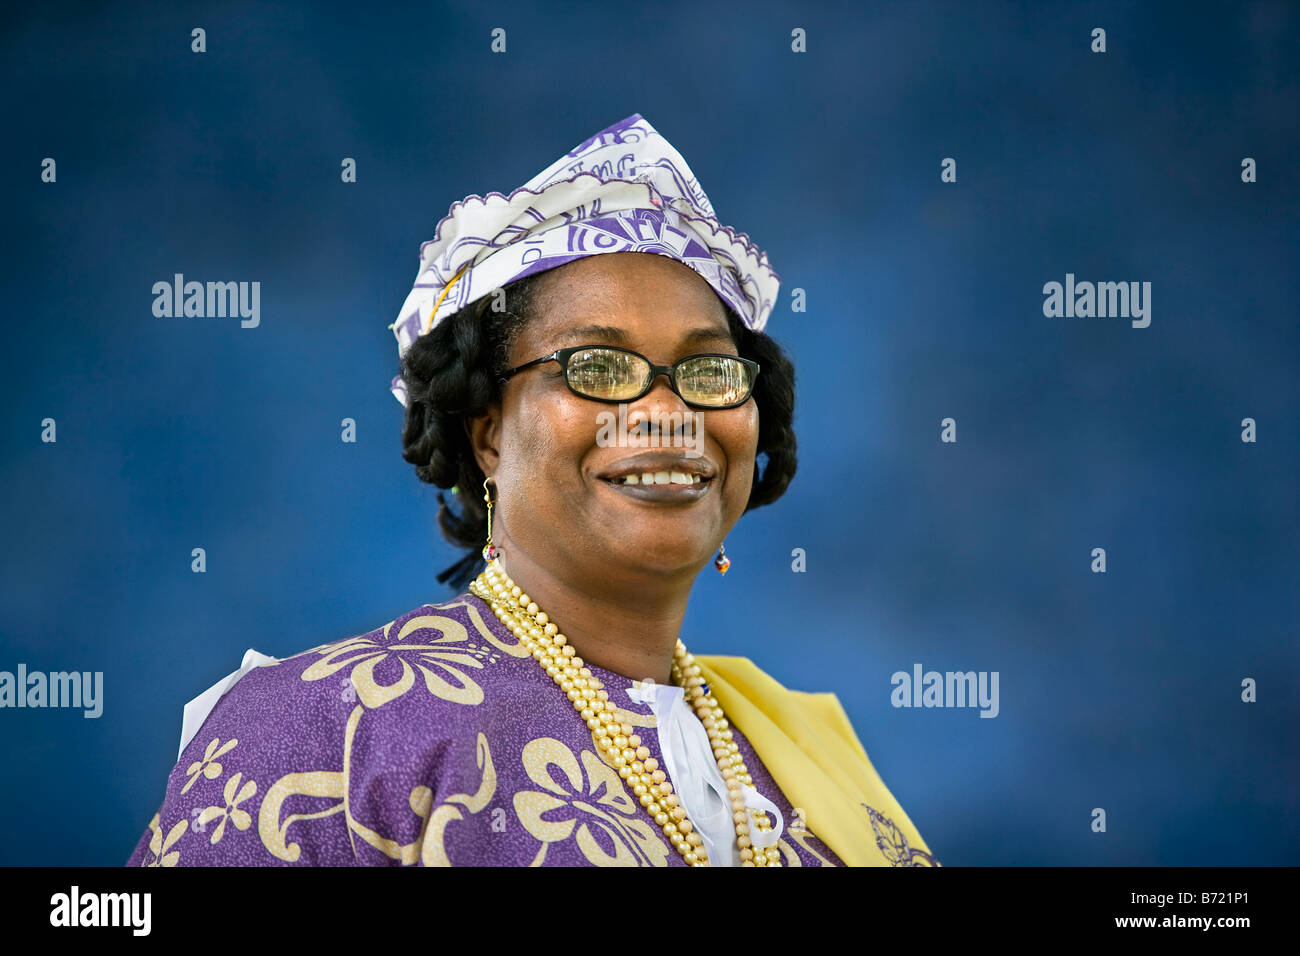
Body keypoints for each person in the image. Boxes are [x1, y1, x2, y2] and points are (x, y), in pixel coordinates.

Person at [125, 113, 939, 867]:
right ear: (487, 431)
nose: (666, 413)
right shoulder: (322, 730)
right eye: (597, 366)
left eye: (707, 370)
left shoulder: (795, 757)